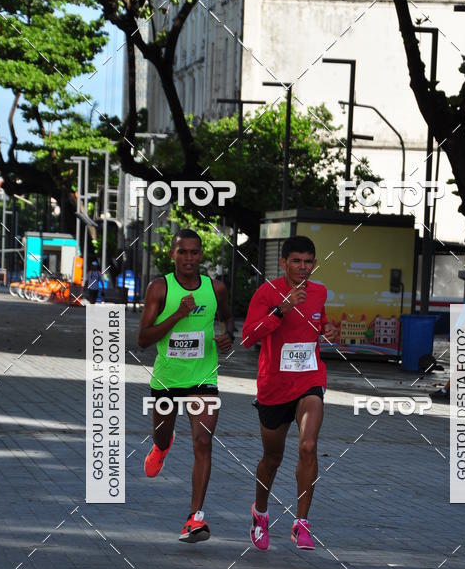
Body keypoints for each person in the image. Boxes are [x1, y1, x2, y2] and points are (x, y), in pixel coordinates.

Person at [242, 235, 339, 551]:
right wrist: (281, 310)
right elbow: (248, 338)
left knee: (309, 445)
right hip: (273, 387)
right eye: (296, 261)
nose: (303, 267)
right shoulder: (266, 293)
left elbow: (318, 324)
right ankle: (260, 513)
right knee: (272, 458)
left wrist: (328, 330)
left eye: (308, 262)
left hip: (309, 381)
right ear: (283, 263)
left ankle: (302, 523)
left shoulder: (320, 292)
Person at [138, 229, 234, 542]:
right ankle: (162, 446)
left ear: (201, 255)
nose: (189, 258)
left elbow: (229, 321)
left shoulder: (214, 288)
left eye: (194, 252)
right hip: (167, 379)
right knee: (162, 434)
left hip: (203, 378)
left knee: (203, 442)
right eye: (183, 252)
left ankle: (195, 517)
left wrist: (226, 337)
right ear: (173, 254)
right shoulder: (159, 288)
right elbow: (143, 339)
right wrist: (179, 314)